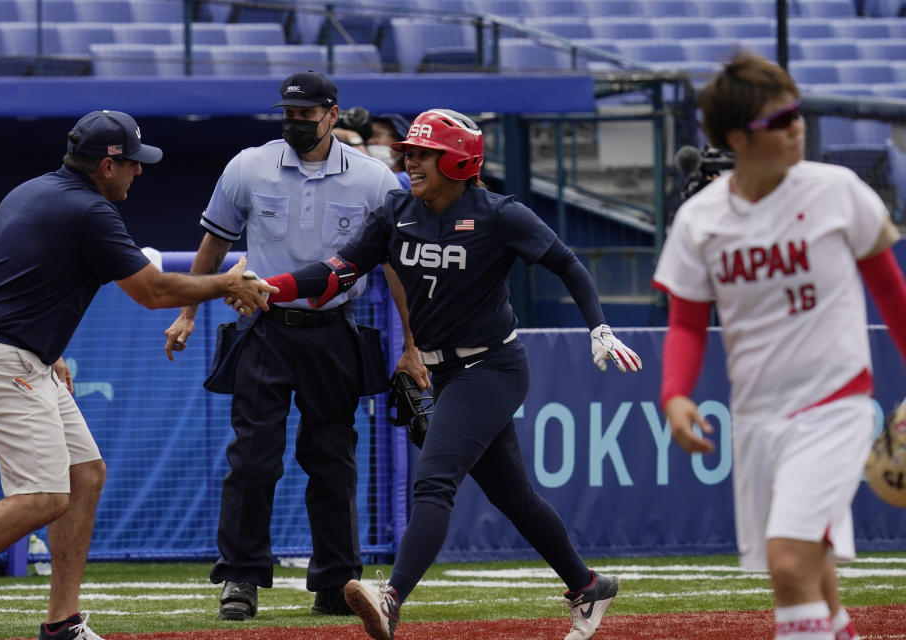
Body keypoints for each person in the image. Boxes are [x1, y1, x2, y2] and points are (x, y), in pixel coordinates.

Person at [254, 108, 643, 640]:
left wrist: (598, 328)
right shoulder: (397, 210)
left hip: (493, 366)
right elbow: (338, 270)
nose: (409, 161)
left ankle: (391, 599)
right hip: (445, 370)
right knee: (516, 499)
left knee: (434, 481)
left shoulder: (500, 215)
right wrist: (271, 286)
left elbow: (568, 263)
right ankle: (587, 586)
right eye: (409, 152)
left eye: (422, 153)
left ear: (458, 160)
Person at [0, 110, 275, 640]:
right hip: (0, 357)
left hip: (13, 351)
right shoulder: (88, 210)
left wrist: (48, 349)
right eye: (132, 163)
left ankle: (62, 623)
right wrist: (227, 283)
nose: (138, 172)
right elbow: (154, 293)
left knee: (84, 475)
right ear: (106, 165)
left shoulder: (35, 190)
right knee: (43, 497)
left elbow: (2, 275)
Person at [653, 54, 906, 640]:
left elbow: (893, 299)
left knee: (788, 566)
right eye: (781, 119)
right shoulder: (700, 220)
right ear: (738, 138)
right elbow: (688, 324)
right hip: (758, 418)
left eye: (797, 112)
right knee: (813, 574)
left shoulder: (838, 191)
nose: (798, 126)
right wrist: (675, 395)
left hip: (835, 405)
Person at [162, 70, 425, 621]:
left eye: (306, 114)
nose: (295, 123)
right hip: (264, 327)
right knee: (252, 459)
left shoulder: (377, 180)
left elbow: (398, 267)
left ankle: (336, 580)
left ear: (332, 113)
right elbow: (214, 243)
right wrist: (188, 311)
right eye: (288, 113)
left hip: (333, 330)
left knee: (333, 459)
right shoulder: (248, 166)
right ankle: (240, 579)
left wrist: (412, 345)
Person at [333, 108, 412, 189]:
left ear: (401, 147)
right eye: (368, 137)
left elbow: (372, 179)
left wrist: (353, 138)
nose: (369, 141)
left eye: (377, 135)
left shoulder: (408, 181)